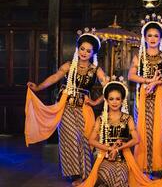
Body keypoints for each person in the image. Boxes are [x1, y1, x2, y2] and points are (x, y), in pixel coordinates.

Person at [26, 28, 107, 186]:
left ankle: (87, 174)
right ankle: (75, 175)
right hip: (66, 108)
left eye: (88, 51)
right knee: (70, 140)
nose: (84, 53)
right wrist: (38, 87)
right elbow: (54, 77)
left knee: (85, 140)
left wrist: (96, 102)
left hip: (84, 110)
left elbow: (109, 88)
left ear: (93, 54)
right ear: (78, 49)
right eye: (82, 49)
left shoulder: (96, 70)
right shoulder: (69, 66)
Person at [128, 13, 162, 176]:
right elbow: (131, 76)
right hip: (142, 94)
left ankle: (157, 166)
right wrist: (148, 80)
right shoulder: (139, 56)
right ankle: (141, 166)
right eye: (149, 35)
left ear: (161, 37)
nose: (153, 38)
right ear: (144, 37)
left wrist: (156, 83)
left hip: (159, 95)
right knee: (141, 127)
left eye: (156, 35)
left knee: (159, 129)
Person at [84, 78, 139, 187]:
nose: (114, 102)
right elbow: (91, 140)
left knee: (121, 175)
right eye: (111, 99)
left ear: (122, 100)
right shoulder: (101, 119)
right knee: (106, 172)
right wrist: (109, 148)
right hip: (105, 158)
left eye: (118, 99)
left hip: (123, 159)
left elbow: (136, 139)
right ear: (107, 100)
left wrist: (118, 148)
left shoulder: (128, 118)